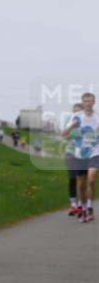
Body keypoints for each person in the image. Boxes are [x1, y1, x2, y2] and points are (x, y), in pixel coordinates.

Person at [62, 93, 98, 223]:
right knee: (81, 184)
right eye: (85, 101)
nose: (88, 103)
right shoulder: (76, 116)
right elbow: (64, 134)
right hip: (79, 154)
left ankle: (89, 207)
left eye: (90, 101)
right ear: (83, 103)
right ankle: (83, 208)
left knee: (92, 179)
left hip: (94, 152)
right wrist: (72, 126)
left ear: (93, 102)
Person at [64, 102, 84, 217]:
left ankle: (82, 205)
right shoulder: (70, 122)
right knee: (72, 178)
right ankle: (73, 205)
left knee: (81, 180)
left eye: (79, 111)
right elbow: (64, 136)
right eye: (75, 111)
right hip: (70, 153)